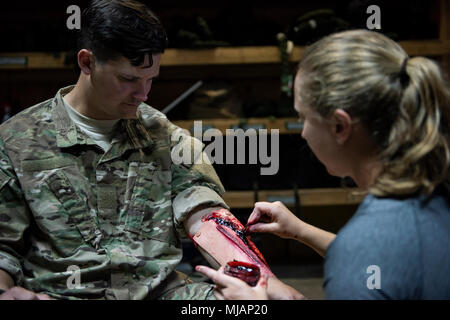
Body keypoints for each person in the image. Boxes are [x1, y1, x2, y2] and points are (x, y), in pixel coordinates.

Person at [0, 0, 300, 300]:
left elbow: (208, 219)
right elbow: (3, 246)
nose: (143, 94)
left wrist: (265, 283)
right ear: (87, 62)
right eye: (129, 79)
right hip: (57, 294)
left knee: (249, 306)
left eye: (151, 79)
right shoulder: (17, 140)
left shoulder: (163, 135)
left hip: (159, 295)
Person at [196, 29, 450, 300]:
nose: (303, 132)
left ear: (339, 126)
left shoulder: (363, 246)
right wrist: (301, 232)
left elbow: (365, 258)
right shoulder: (432, 197)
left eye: (305, 117)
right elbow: (390, 261)